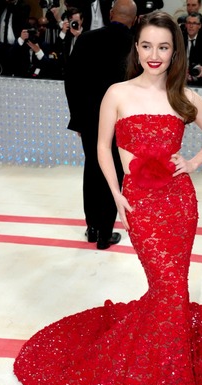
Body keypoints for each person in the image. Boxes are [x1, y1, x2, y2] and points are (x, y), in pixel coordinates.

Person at [14, 11, 202, 385]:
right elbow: (102, 148)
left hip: (179, 204)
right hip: (140, 204)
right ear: (135, 48)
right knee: (167, 285)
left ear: (175, 51)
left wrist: (191, 162)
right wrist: (118, 195)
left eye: (163, 47)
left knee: (174, 288)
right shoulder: (117, 93)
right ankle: (161, 367)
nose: (154, 55)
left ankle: (169, 370)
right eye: (146, 46)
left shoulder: (182, 96)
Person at [64, 0, 137, 249]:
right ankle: (105, 232)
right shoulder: (137, 46)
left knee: (92, 169)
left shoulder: (85, 40)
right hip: (121, 122)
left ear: (109, 15)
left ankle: (93, 228)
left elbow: (71, 82)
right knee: (113, 171)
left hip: (89, 120)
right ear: (135, 20)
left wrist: (78, 119)